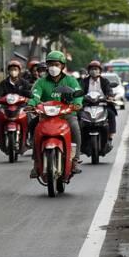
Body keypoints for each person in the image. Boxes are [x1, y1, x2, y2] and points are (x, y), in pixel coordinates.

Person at [28, 50, 84, 178]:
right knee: (33, 127)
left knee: (75, 127)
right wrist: (31, 104)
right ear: (47, 66)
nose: (53, 67)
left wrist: (77, 103)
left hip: (66, 115)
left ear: (62, 66)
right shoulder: (41, 82)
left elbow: (77, 94)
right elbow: (35, 95)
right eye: (51, 64)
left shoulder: (71, 81)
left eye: (56, 64)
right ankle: (36, 162)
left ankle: (75, 160)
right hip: (45, 116)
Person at [79, 60, 117, 152]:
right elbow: (80, 91)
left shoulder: (105, 81)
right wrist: (80, 97)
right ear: (89, 71)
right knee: (77, 116)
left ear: (100, 70)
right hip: (86, 104)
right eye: (92, 69)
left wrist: (110, 96)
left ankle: (110, 138)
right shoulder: (84, 81)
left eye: (96, 69)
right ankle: (79, 140)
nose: (94, 71)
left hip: (102, 104)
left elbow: (109, 91)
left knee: (111, 114)